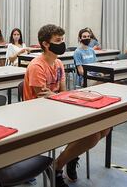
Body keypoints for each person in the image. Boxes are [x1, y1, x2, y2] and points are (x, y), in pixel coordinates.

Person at [23, 24, 110, 187]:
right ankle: (56, 166)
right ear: (45, 44)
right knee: (92, 134)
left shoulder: (59, 64)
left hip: (58, 106)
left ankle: (69, 157)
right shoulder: (37, 66)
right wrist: (60, 96)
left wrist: (58, 96)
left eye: (62, 39)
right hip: (38, 113)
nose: (62, 43)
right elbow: (43, 98)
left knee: (104, 126)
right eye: (58, 40)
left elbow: (62, 93)